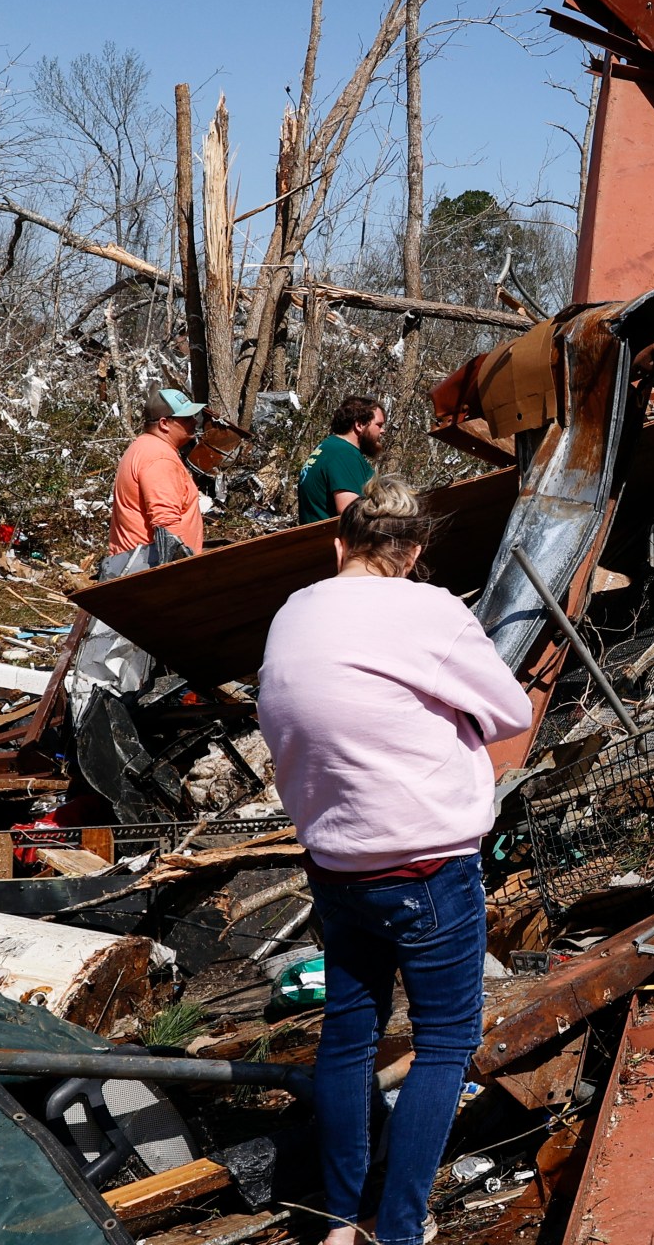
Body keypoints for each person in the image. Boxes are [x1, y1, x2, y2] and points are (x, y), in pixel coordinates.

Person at [257, 479, 531, 1245]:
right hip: (426, 864)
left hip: (336, 860)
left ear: (338, 544)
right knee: (445, 1042)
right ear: (410, 554)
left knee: (349, 1032)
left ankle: (339, 1219)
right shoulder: (429, 608)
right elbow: (510, 711)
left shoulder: (295, 609)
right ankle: (399, 1230)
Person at [107, 387, 208, 575]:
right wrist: (181, 573)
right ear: (164, 424)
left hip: (134, 567)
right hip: (150, 572)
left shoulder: (142, 447)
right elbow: (166, 524)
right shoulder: (159, 457)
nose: (194, 421)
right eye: (186, 418)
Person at [299, 396, 387, 524]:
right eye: (379, 425)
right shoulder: (343, 454)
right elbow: (349, 510)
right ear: (359, 425)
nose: (383, 431)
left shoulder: (328, 448)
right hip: (333, 541)